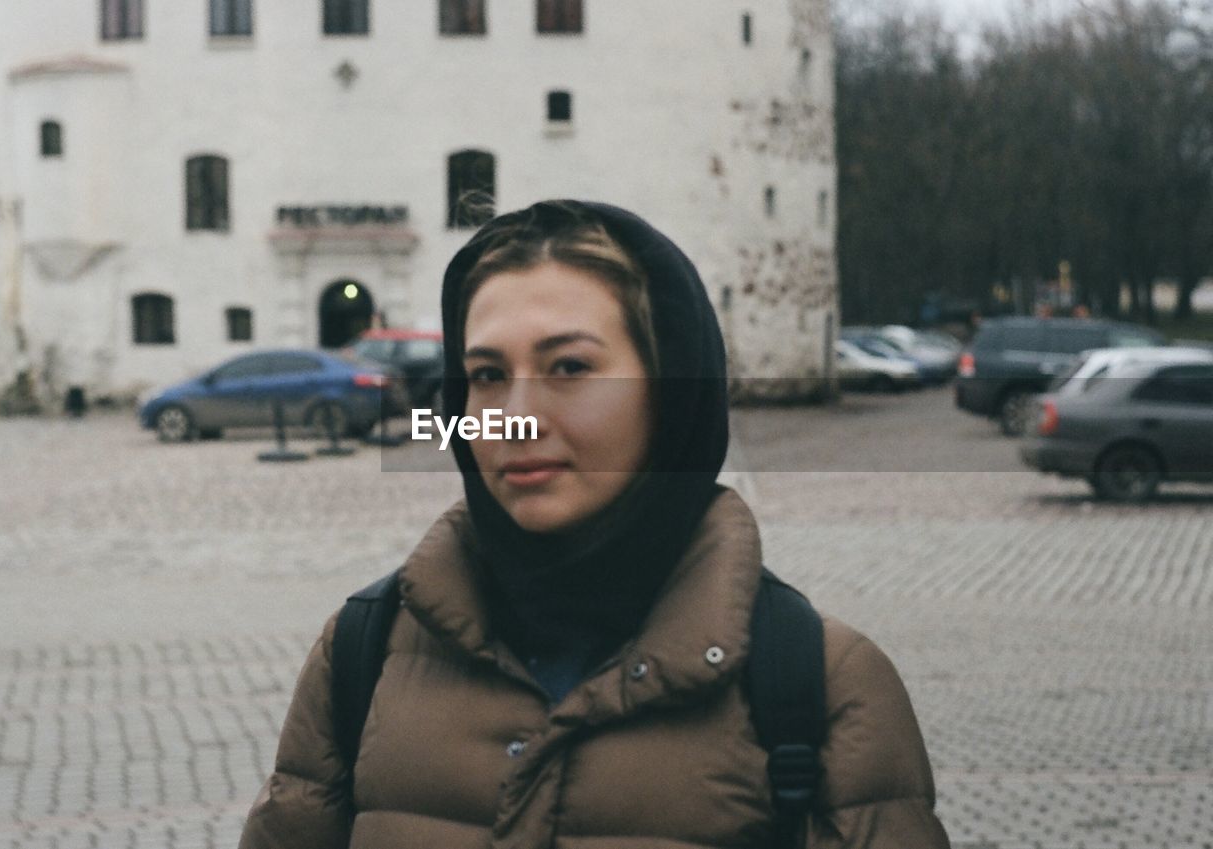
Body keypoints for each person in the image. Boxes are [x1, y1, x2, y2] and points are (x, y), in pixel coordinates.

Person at [238, 200, 951, 849]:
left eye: (570, 367)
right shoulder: (363, 654)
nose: (515, 415)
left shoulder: (820, 683)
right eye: (486, 374)